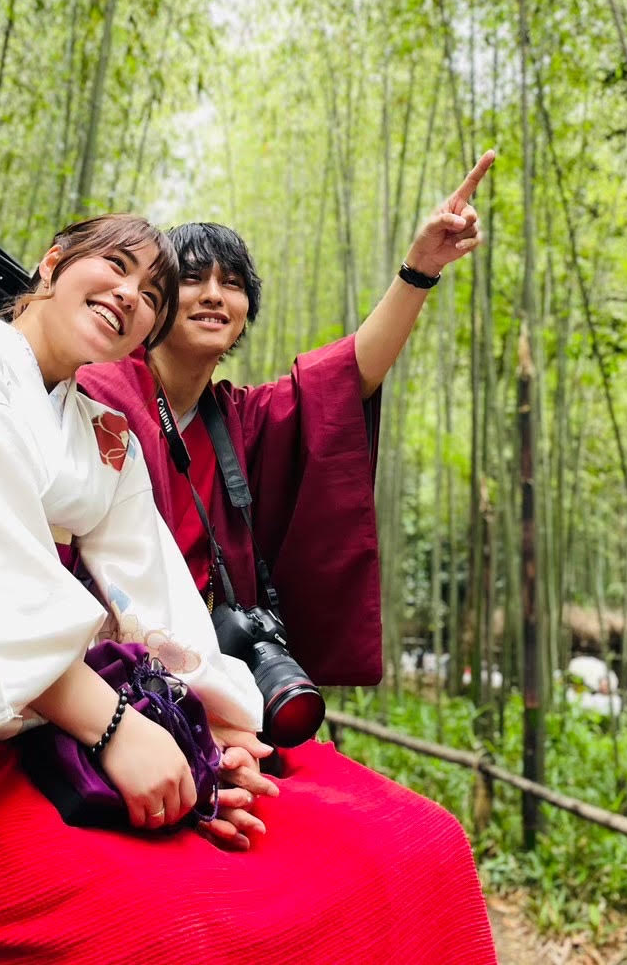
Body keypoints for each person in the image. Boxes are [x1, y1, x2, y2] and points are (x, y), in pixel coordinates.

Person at [0, 207, 496, 964]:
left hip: (75, 703)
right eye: (117, 267)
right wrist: (115, 726)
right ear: (49, 264)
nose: (132, 295)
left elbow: (156, 594)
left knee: (415, 842)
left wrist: (216, 731)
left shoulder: (109, 428)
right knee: (185, 932)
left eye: (151, 290)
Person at [78, 152, 495, 849]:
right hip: (104, 676)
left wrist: (419, 269)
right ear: (151, 303)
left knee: (409, 838)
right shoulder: (95, 389)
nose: (214, 293)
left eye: (232, 283)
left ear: (244, 318)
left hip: (205, 681)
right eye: (192, 278)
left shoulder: (239, 420)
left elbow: (347, 373)